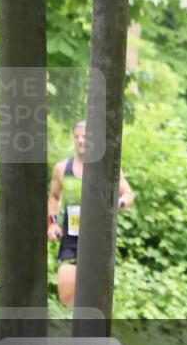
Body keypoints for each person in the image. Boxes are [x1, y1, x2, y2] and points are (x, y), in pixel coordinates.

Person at [47, 120, 135, 308]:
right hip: (71, 237)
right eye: (77, 137)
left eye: (85, 137)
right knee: (66, 293)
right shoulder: (62, 168)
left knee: (95, 296)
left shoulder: (108, 168)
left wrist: (120, 202)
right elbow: (54, 197)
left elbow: (128, 194)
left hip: (99, 239)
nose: (80, 141)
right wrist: (52, 223)